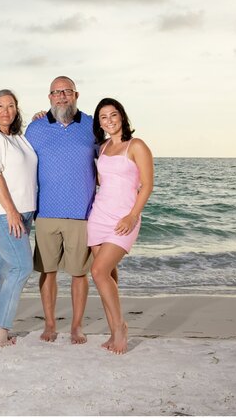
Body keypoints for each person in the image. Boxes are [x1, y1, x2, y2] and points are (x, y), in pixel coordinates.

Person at [25, 76, 96, 344]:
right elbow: (21, 164)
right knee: (48, 271)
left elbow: (109, 159)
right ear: (49, 98)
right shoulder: (35, 128)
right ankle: (50, 325)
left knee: (79, 273)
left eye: (66, 91)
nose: (61, 96)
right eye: (56, 92)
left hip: (81, 213)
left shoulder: (91, 125)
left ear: (76, 94)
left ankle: (77, 327)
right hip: (46, 213)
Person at [87, 98, 154, 354]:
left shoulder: (136, 145)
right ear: (100, 123)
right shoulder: (103, 148)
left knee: (98, 271)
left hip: (123, 218)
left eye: (113, 115)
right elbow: (104, 184)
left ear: (122, 116)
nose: (109, 121)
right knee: (108, 275)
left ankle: (120, 328)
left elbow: (147, 185)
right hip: (99, 215)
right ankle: (113, 329)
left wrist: (132, 215)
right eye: (103, 117)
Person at [0, 90, 38, 346]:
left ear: (16, 109)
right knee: (22, 267)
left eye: (10, 105)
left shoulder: (18, 138)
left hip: (22, 213)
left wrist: (40, 119)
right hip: (4, 213)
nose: (5, 110)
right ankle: (1, 325)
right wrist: (11, 211)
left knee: (0, 269)